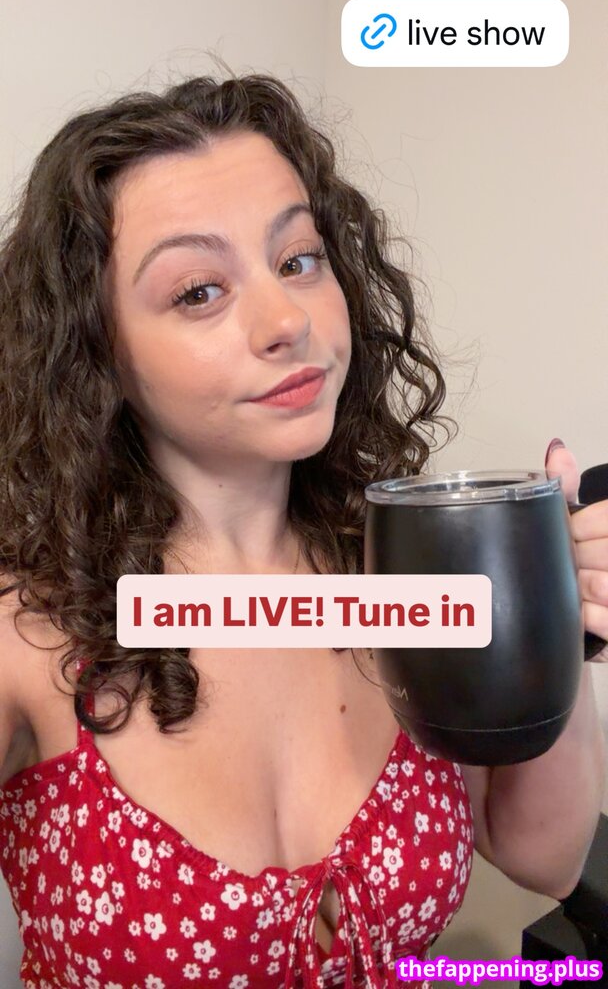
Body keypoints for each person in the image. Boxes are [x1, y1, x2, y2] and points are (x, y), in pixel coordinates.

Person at [0, 67, 605, 989]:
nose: (288, 320)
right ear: (98, 351)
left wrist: (562, 623)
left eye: (297, 260)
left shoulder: (399, 578)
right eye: (198, 291)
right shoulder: (27, 634)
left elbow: (543, 855)